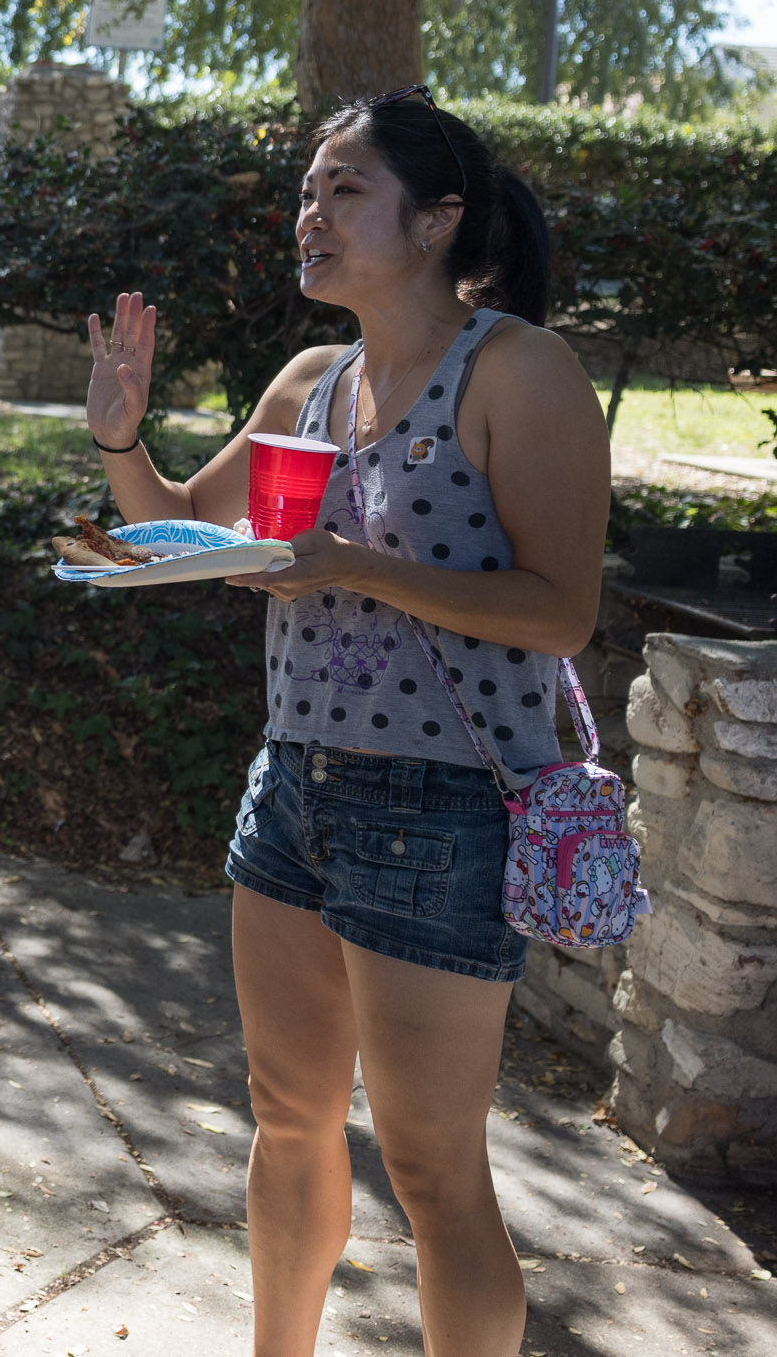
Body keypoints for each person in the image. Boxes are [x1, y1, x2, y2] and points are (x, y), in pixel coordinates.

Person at [83, 87, 606, 1357]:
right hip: (292, 791)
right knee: (286, 1116)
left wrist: (346, 566)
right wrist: (118, 445)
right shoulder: (310, 380)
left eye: (343, 189)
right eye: (308, 191)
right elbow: (187, 535)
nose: (309, 214)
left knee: (432, 1174)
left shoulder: (518, 369)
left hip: (443, 807)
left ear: (435, 221)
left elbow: (561, 610)